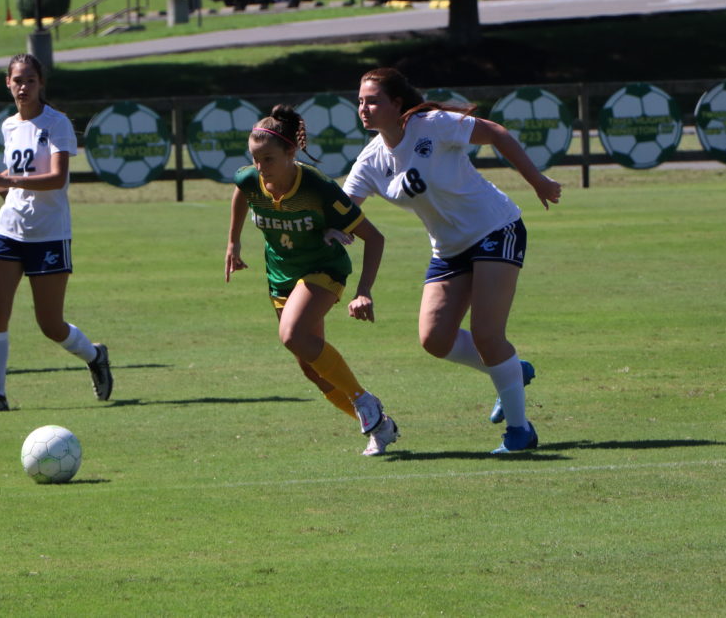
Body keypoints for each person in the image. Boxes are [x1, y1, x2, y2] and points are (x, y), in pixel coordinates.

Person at [343, 67, 562, 454]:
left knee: (487, 335)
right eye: (360, 101)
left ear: (396, 103)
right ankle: (512, 370)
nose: (363, 108)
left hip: (496, 228)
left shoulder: (432, 125)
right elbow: (344, 215)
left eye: (373, 100)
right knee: (434, 339)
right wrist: (324, 232)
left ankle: (520, 432)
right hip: (448, 249)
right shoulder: (370, 161)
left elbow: (496, 133)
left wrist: (537, 180)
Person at [225, 104, 398, 456]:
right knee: (313, 371)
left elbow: (374, 238)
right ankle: (379, 426)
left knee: (292, 335)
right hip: (280, 277)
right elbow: (242, 190)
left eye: (268, 159)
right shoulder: (251, 178)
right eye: (255, 159)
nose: (260, 167)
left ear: (291, 152)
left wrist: (364, 291)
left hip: (323, 269)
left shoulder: (318, 187)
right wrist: (233, 242)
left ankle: (364, 399)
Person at [0, 53, 112, 414]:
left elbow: (56, 178)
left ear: (41, 84)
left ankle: (94, 356)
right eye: (17, 80)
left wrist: (8, 180)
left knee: (50, 324)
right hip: (9, 229)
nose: (23, 87)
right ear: (7, 84)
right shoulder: (9, 125)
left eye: (30, 80)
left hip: (49, 234)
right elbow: (12, 175)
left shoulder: (57, 123)